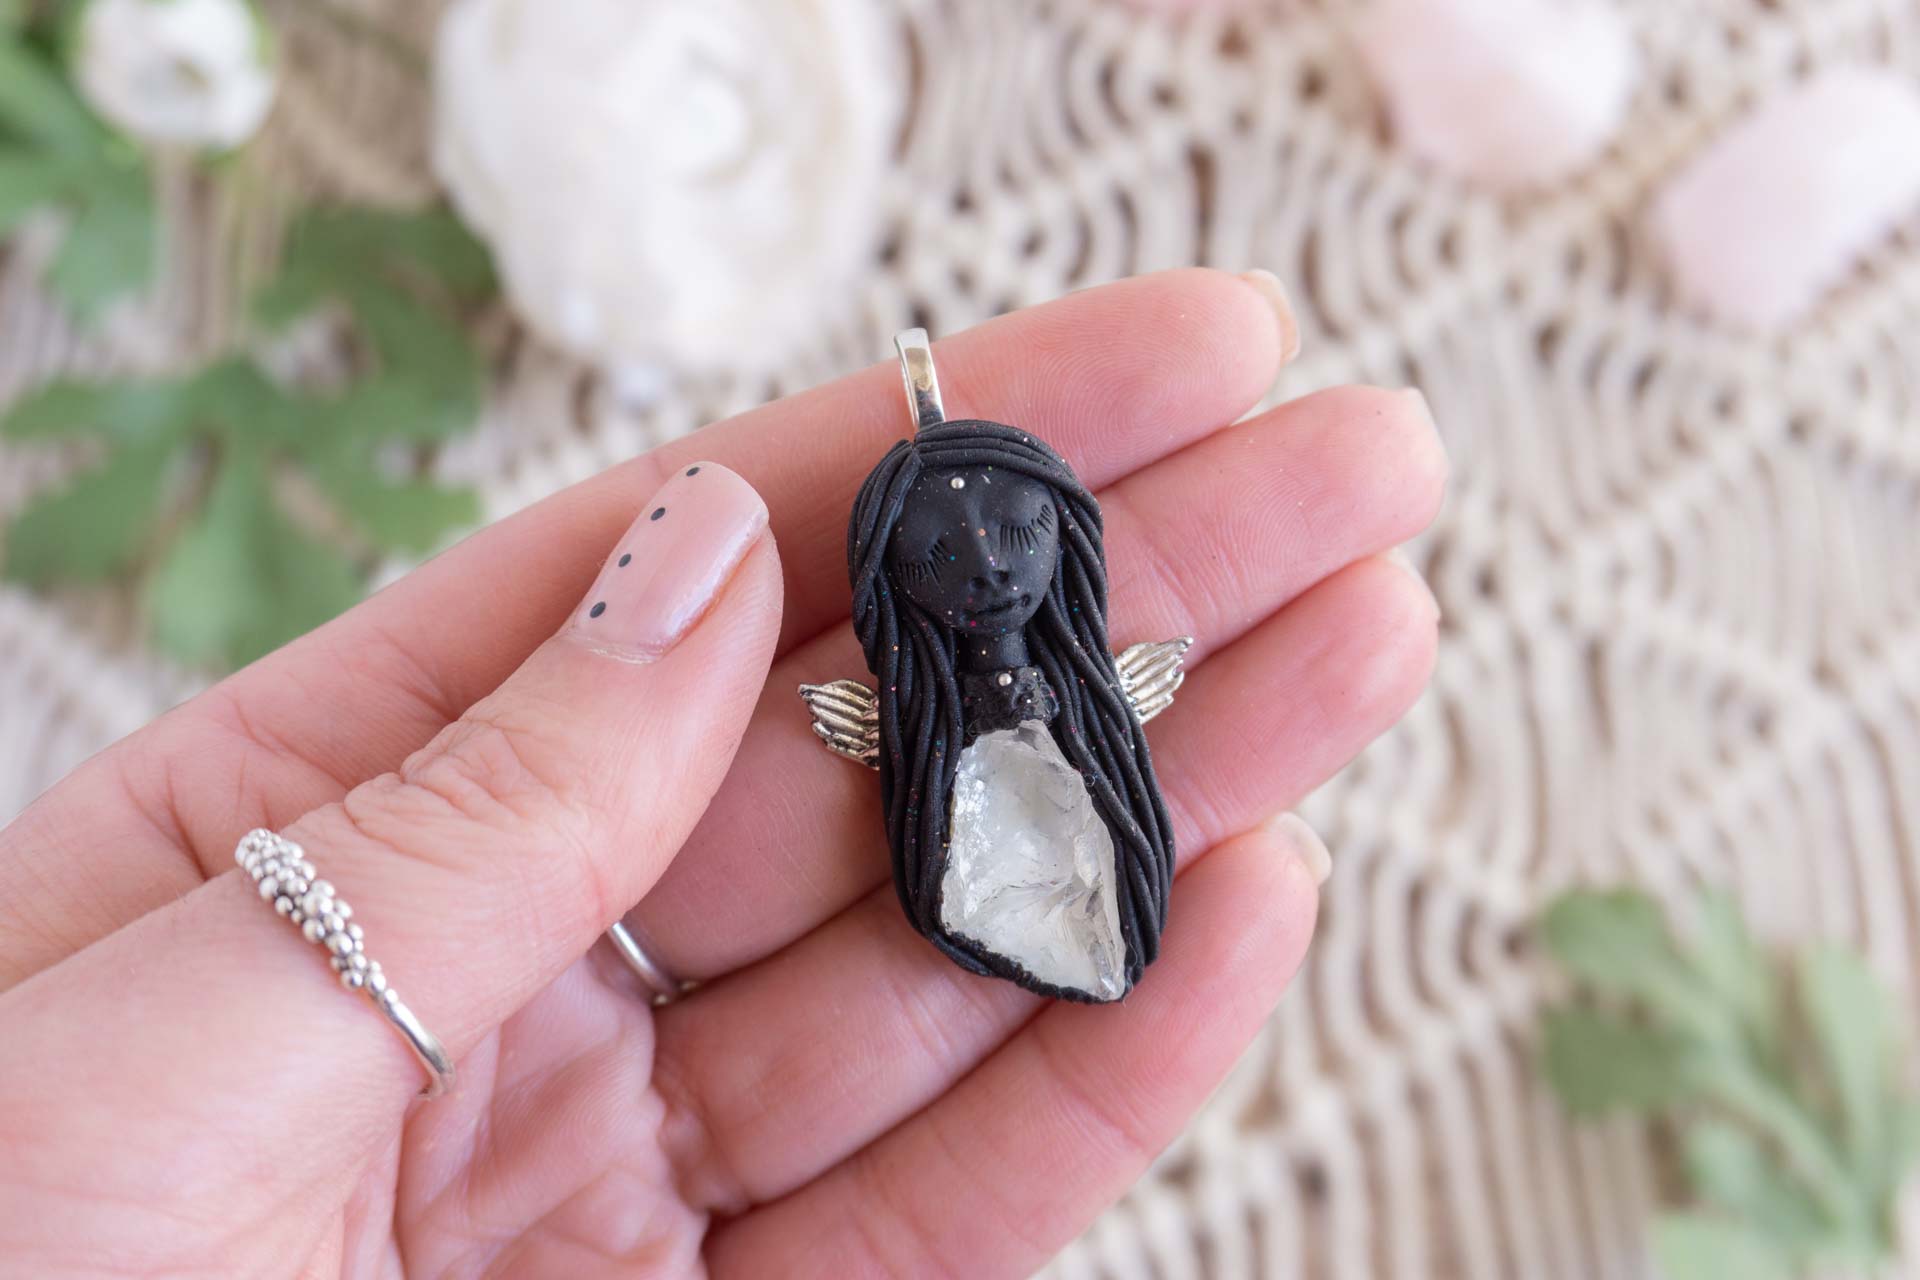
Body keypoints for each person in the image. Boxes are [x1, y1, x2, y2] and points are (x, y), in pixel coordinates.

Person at [0, 269, 1444, 1276]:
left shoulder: (1076, 696)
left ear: (1059, 538)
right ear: (892, 577)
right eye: (947, 549)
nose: (987, 564)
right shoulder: (912, 723)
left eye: (1015, 538)